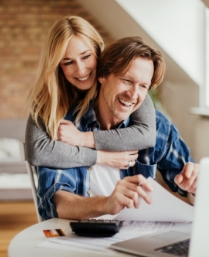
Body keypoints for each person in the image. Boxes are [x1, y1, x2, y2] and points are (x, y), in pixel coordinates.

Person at [37, 37, 199, 220]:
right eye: (127, 80)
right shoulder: (66, 128)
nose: (133, 95)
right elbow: (58, 202)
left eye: (143, 86)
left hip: (138, 236)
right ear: (102, 75)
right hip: (81, 237)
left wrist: (195, 186)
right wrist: (106, 203)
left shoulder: (157, 126)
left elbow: (191, 189)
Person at [25, 16, 160, 170]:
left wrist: (82, 139)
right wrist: (101, 157)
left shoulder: (122, 83)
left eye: (86, 56)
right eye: (68, 62)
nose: (81, 70)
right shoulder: (48, 97)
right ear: (57, 66)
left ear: (98, 51)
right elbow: (37, 152)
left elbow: (146, 135)